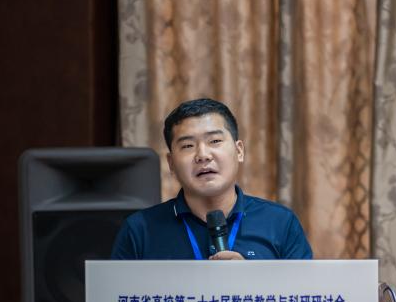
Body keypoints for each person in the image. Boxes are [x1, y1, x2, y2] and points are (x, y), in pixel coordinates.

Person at [111, 98, 313, 260]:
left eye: (215, 141)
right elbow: (119, 299)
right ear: (171, 163)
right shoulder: (139, 230)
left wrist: (252, 279)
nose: (203, 155)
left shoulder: (280, 223)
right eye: (188, 146)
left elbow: (304, 296)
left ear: (239, 151)